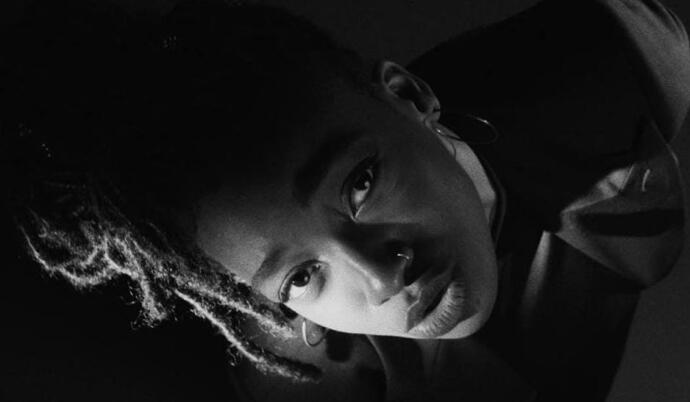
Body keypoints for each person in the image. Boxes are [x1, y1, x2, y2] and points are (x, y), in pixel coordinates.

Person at [3, 0, 688, 401]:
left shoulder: (617, 62)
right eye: (301, 277)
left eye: (359, 184)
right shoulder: (307, 377)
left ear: (411, 97)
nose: (383, 276)